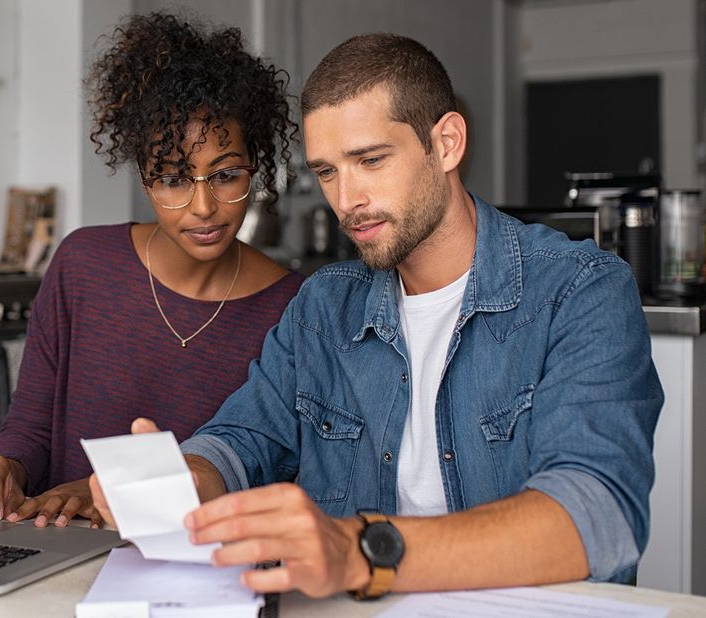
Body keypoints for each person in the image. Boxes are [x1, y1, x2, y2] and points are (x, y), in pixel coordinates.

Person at [92, 32, 663, 599]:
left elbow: (598, 516)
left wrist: (362, 552)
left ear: (446, 143)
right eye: (327, 171)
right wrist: (184, 479)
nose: (346, 199)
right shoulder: (323, 308)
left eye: (370, 160)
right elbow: (243, 438)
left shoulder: (579, 289)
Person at [0, 13, 303, 529]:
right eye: (172, 179)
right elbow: (31, 427)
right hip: (60, 549)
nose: (202, 207)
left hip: (199, 574)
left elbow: (270, 471)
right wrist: (6, 469)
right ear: (144, 179)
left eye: (226, 175)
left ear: (255, 169)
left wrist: (108, 493)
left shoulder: (293, 308)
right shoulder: (82, 265)